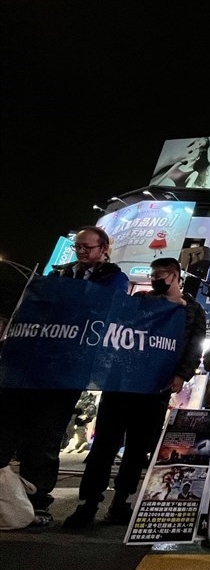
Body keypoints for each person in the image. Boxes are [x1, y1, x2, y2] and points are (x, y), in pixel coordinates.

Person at [0, 226, 128, 527]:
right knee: (12, 429)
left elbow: (101, 306)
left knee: (46, 434)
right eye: (78, 247)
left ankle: (37, 502)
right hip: (32, 367)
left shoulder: (113, 278)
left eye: (88, 247)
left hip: (66, 371)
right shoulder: (59, 275)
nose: (82, 252)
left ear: (104, 249)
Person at [64, 257, 205, 528]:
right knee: (105, 445)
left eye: (161, 274)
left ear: (175, 275)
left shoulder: (193, 310)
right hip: (122, 384)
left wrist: (180, 375)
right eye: (153, 274)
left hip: (156, 388)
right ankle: (88, 503)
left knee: (138, 449)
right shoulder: (140, 299)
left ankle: (121, 503)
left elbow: (195, 347)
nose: (155, 279)